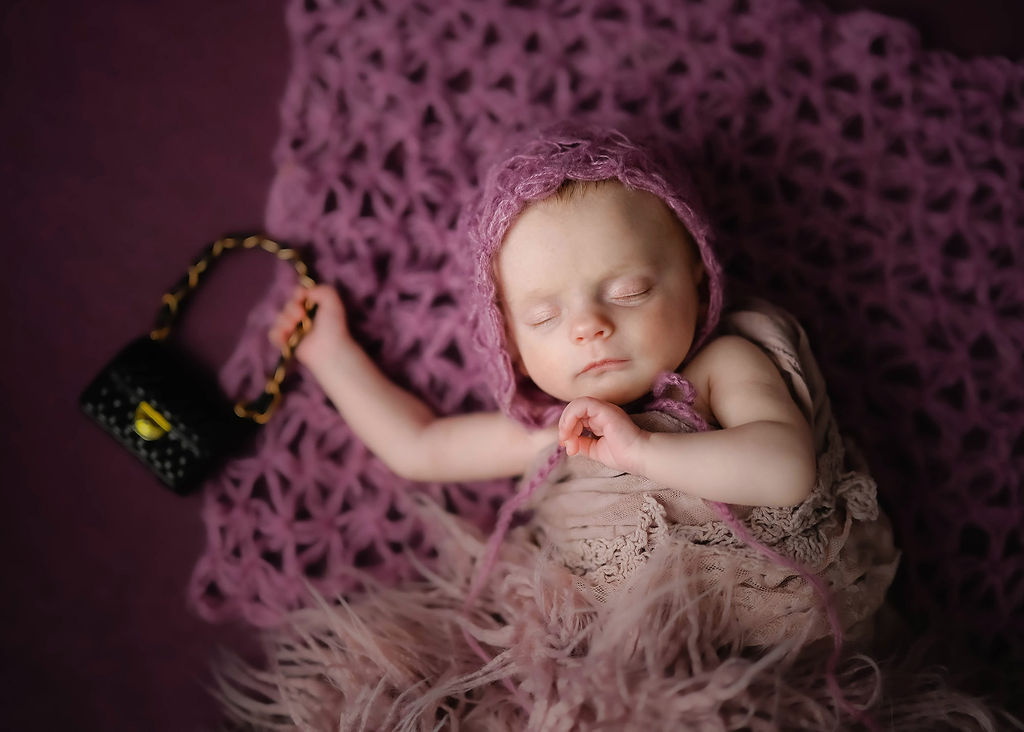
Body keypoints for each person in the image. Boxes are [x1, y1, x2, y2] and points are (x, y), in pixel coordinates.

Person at [233, 125, 902, 729]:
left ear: (697, 277)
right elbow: (421, 446)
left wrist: (641, 449)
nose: (589, 326)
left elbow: (785, 470)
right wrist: (331, 355)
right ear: (508, 341)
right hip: (609, 670)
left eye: (630, 290)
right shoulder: (552, 429)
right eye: (545, 317)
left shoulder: (722, 365)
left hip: (766, 652)